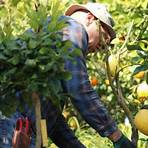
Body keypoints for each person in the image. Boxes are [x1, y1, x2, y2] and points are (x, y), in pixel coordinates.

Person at [0, 2, 136, 148]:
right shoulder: (73, 28)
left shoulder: (53, 45)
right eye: (103, 37)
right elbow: (79, 90)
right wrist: (116, 136)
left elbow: (52, 119)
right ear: (90, 18)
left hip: (21, 127)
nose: (101, 47)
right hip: (12, 123)